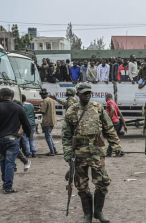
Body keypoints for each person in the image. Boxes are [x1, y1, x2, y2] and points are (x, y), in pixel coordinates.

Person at [63, 83, 121, 223]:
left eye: (89, 92)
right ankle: (87, 215)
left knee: (102, 182)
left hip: (96, 153)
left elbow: (109, 128)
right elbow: (66, 135)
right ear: (78, 94)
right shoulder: (71, 111)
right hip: (79, 154)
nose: (87, 95)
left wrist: (116, 145)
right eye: (84, 93)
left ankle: (98, 212)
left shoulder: (98, 108)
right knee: (81, 185)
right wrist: (68, 154)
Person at [0, 88, 31, 194]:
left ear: (2, 96)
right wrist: (29, 135)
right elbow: (26, 123)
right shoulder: (18, 107)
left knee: (3, 161)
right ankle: (8, 187)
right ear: (11, 96)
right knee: (10, 163)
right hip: (12, 139)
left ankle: (5, 184)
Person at [40, 88, 57, 156]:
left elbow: (43, 111)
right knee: (49, 136)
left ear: (43, 95)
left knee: (47, 136)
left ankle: (52, 151)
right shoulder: (51, 100)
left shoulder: (45, 100)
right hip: (52, 120)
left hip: (47, 121)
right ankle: (54, 149)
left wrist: (35, 110)